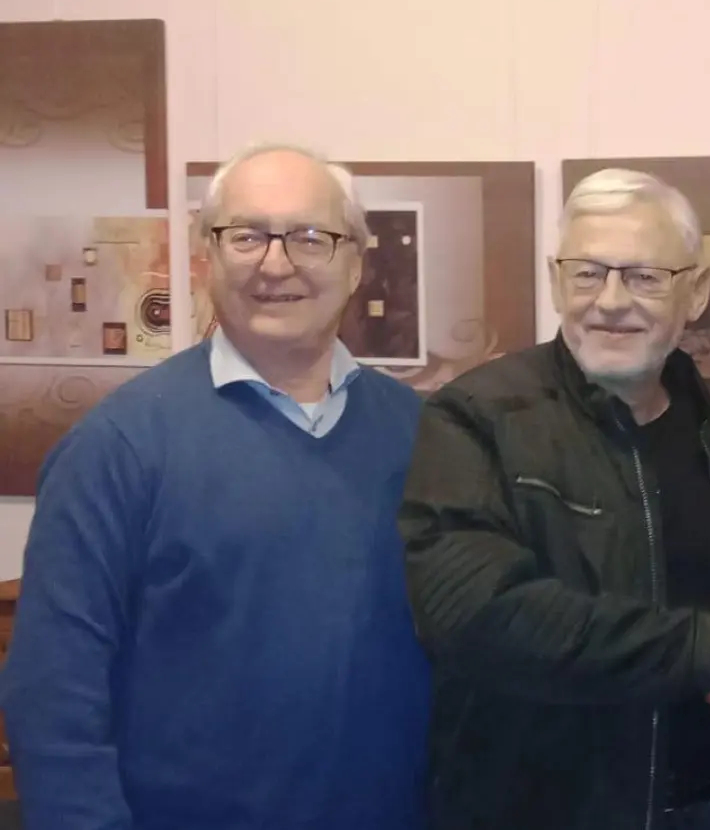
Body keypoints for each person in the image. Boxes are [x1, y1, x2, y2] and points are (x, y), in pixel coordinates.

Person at [0, 143, 433, 828]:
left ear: (355, 261)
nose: (275, 262)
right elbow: (55, 702)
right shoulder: (116, 449)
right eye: (248, 235)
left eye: (310, 237)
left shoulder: (424, 435)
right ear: (206, 254)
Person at [397, 168, 710, 830]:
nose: (610, 300)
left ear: (696, 292)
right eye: (587, 273)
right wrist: (704, 649)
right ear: (556, 281)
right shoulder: (475, 418)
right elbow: (473, 616)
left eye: (644, 277)